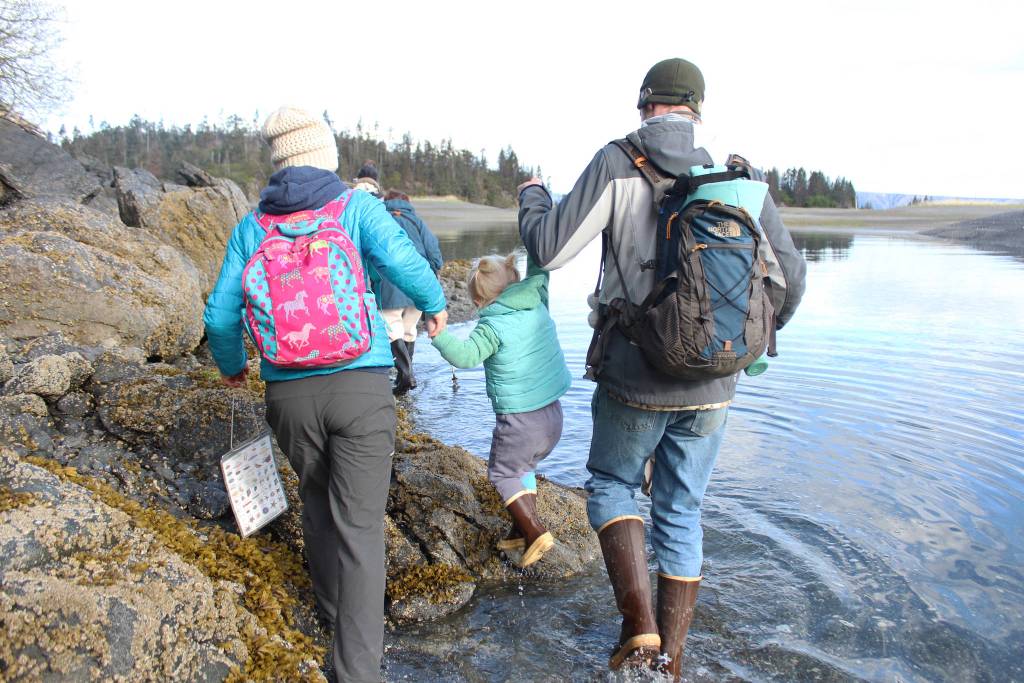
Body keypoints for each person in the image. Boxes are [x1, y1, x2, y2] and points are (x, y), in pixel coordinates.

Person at [516, 59, 807, 677]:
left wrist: (535, 199)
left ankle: (639, 628)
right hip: (715, 385)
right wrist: (744, 344)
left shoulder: (618, 162)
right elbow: (792, 279)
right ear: (697, 109)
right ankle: (672, 661)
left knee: (612, 486)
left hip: (634, 372)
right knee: (682, 509)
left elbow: (550, 249)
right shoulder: (741, 182)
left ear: (645, 104)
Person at [202, 106, 448, 683]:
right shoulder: (356, 206)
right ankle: (355, 670)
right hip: (360, 386)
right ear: (325, 156)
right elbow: (403, 260)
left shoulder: (251, 226)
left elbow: (219, 314)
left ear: (279, 162)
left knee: (317, 501)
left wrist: (234, 366)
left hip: (288, 395)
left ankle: (332, 615)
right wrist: (435, 304)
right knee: (361, 527)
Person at [430, 253, 571, 568]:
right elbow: (541, 272)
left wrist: (439, 336)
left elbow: (466, 356)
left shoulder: (492, 324)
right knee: (524, 469)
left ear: (479, 300)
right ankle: (519, 528)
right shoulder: (537, 301)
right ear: (515, 280)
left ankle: (535, 531)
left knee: (502, 472)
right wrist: (538, 242)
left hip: (521, 421)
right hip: (554, 417)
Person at [371, 190, 444, 394]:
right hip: (418, 283)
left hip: (388, 283)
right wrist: (434, 270)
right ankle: (406, 373)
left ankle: (406, 375)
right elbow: (433, 249)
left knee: (391, 329)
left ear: (386, 201)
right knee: (409, 329)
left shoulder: (380, 220)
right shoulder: (416, 221)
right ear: (407, 203)